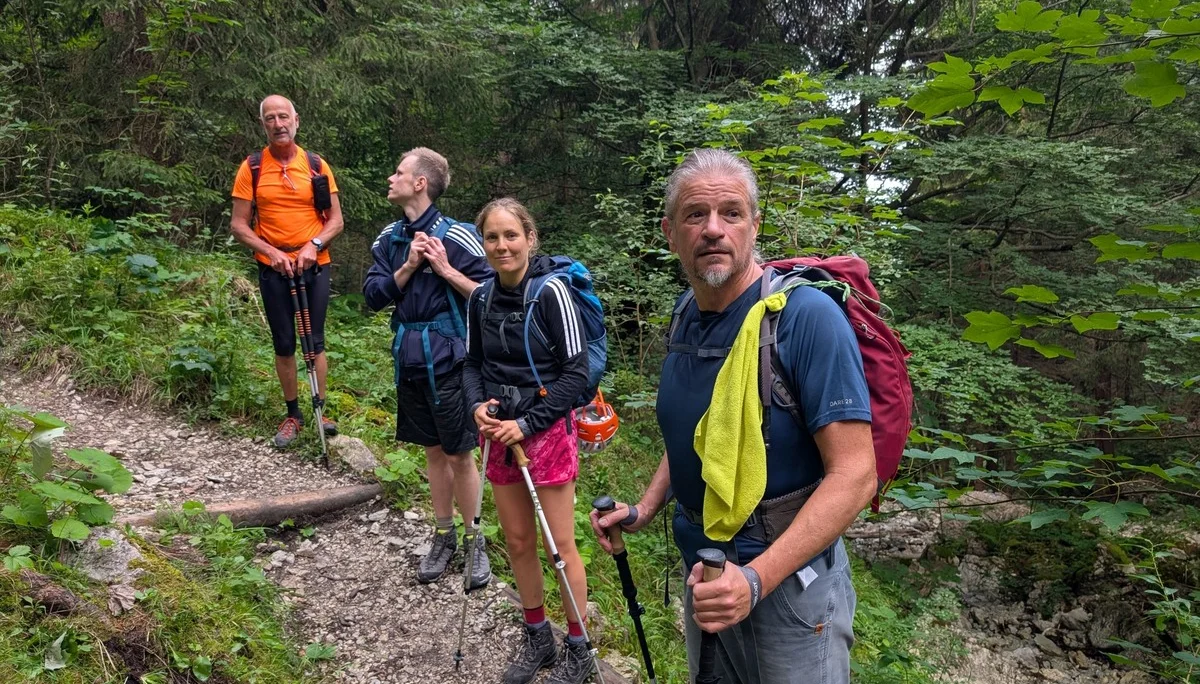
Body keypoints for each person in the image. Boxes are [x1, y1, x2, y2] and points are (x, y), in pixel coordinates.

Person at [589, 149, 877, 684]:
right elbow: (702, 433)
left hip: (789, 587)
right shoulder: (684, 314)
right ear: (670, 232)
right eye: (696, 215)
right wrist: (647, 507)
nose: (713, 229)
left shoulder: (804, 319)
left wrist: (754, 581)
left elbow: (856, 474)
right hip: (707, 571)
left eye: (732, 213)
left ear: (754, 225)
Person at [462, 198, 594, 684]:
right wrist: (476, 405)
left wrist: (530, 421)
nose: (501, 246)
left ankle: (578, 646)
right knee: (518, 541)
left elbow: (576, 374)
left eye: (510, 235)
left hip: (545, 432)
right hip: (499, 431)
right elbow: (472, 364)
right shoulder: (479, 298)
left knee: (559, 544)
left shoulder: (552, 293)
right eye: (492, 237)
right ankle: (537, 636)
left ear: (530, 238)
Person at [363, 148, 492, 588]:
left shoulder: (459, 236)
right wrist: (410, 266)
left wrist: (444, 268)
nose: (390, 177)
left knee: (459, 452)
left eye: (398, 172)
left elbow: (493, 297)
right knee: (433, 452)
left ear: (420, 183)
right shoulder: (390, 239)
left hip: (453, 360)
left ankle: (476, 541)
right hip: (411, 357)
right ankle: (444, 535)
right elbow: (373, 296)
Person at [230, 94, 344, 448]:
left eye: (283, 117)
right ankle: (293, 414)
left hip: (314, 265)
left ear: (296, 120)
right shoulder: (252, 167)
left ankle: (320, 411)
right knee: (284, 343)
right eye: (270, 119)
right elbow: (239, 225)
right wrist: (270, 251)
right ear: (263, 124)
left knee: (316, 340)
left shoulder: (314, 165)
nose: (278, 124)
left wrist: (315, 246)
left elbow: (335, 221)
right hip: (273, 268)